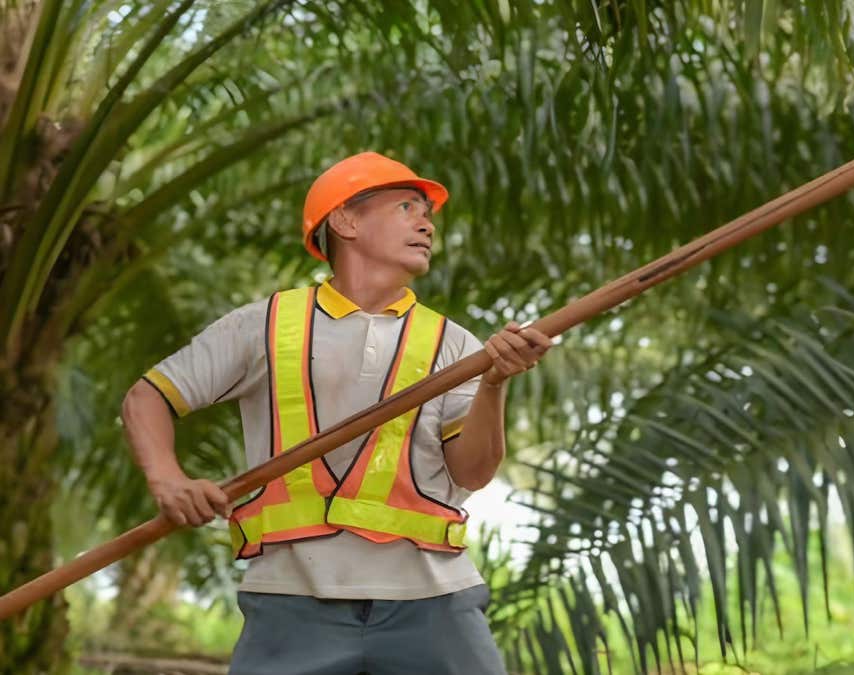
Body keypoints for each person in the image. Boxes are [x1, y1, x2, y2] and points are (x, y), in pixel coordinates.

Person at [121, 151, 550, 674]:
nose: (426, 224)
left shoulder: (453, 343)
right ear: (345, 221)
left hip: (434, 601)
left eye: (428, 215)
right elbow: (148, 397)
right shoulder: (262, 326)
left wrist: (494, 383)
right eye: (407, 208)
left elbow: (472, 472)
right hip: (290, 602)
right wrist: (168, 481)